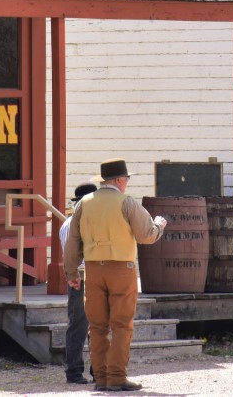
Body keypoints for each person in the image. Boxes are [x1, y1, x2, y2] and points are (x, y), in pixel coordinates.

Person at [63, 158, 168, 392]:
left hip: (93, 269)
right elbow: (146, 235)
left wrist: (71, 271)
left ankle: (100, 377)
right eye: (126, 179)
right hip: (122, 269)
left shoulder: (83, 204)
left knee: (97, 326)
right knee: (121, 325)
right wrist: (159, 224)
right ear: (120, 180)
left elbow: (72, 242)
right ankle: (117, 376)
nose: (127, 183)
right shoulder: (127, 202)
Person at [59, 182, 97, 385]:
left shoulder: (83, 221)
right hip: (80, 277)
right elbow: (71, 257)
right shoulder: (70, 224)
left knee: (97, 324)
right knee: (79, 325)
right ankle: (74, 371)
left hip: (93, 274)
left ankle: (97, 370)